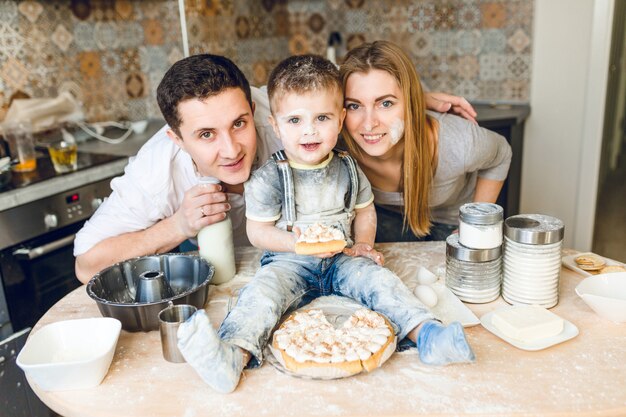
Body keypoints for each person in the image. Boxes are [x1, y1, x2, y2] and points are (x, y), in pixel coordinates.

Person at [176, 54, 475, 394]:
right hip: (289, 263)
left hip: (343, 257)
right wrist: (296, 244)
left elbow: (365, 212)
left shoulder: (349, 168)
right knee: (260, 298)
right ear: (275, 126)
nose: (309, 130)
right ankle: (232, 357)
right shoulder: (268, 177)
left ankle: (429, 336)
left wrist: (363, 245)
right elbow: (257, 232)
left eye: (322, 117)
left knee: (383, 284)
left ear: (341, 118)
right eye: (294, 120)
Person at [73, 53, 475, 283]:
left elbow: (336, 88)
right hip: (242, 276)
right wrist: (176, 226)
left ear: (256, 110)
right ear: (175, 138)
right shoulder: (156, 171)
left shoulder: (283, 111)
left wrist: (414, 96)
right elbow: (87, 263)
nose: (231, 150)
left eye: (239, 124)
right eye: (206, 135)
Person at [339, 40, 512, 242]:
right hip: (381, 218)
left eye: (385, 103)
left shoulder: (457, 142)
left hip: (448, 222)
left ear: (410, 102)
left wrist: (475, 223)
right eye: (354, 106)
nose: (368, 124)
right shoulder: (335, 142)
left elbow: (501, 153)